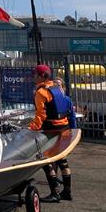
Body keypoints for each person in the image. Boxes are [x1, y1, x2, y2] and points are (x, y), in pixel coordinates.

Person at [29, 64, 74, 202]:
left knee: (46, 161)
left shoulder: (41, 93)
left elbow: (40, 115)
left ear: (42, 76)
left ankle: (55, 193)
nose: (33, 77)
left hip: (51, 130)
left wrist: (31, 129)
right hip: (64, 127)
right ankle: (67, 192)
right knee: (63, 161)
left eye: (35, 75)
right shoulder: (57, 87)